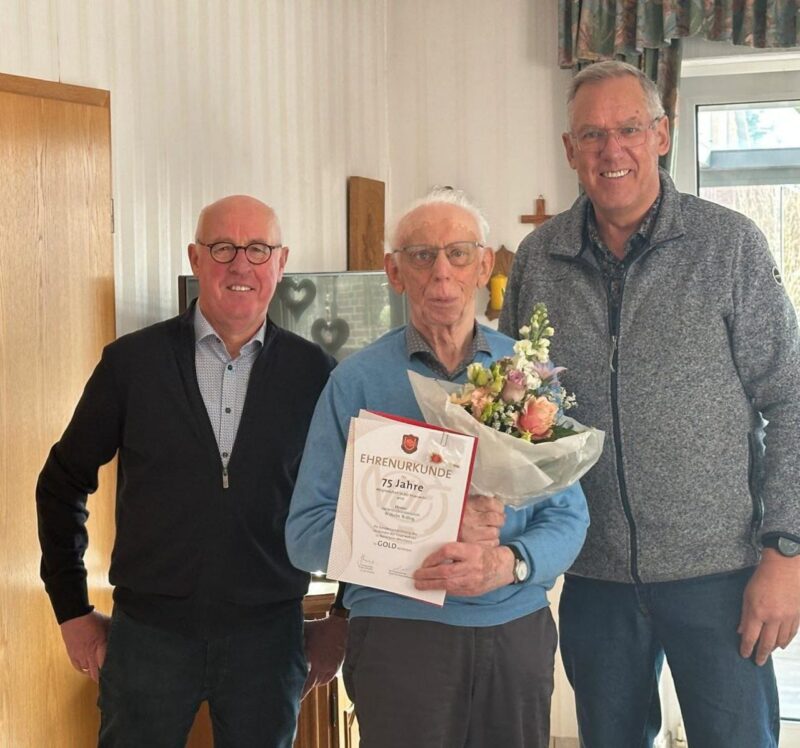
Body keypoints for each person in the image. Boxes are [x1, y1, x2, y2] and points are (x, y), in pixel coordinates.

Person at [500, 60, 800, 748]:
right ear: (570, 148)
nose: (612, 149)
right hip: (594, 576)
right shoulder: (540, 259)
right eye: (592, 134)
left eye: (629, 129)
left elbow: (791, 400)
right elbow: (516, 412)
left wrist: (786, 551)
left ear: (661, 135)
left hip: (719, 575)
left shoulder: (728, 247)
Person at [36, 195, 346, 748]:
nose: (240, 264)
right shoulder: (131, 364)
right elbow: (61, 484)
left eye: (258, 249)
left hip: (268, 642)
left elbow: (359, 500)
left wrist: (343, 614)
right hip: (149, 639)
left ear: (281, 262)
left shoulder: (316, 375)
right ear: (196, 258)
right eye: (223, 248)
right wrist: (71, 609)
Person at [285, 188, 589, 748]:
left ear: (484, 266)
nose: (441, 272)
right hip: (400, 639)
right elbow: (305, 536)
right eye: (422, 256)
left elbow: (570, 518)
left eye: (458, 253)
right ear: (394, 272)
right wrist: (432, 532)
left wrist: (507, 563)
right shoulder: (354, 384)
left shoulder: (527, 375)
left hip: (514, 634)